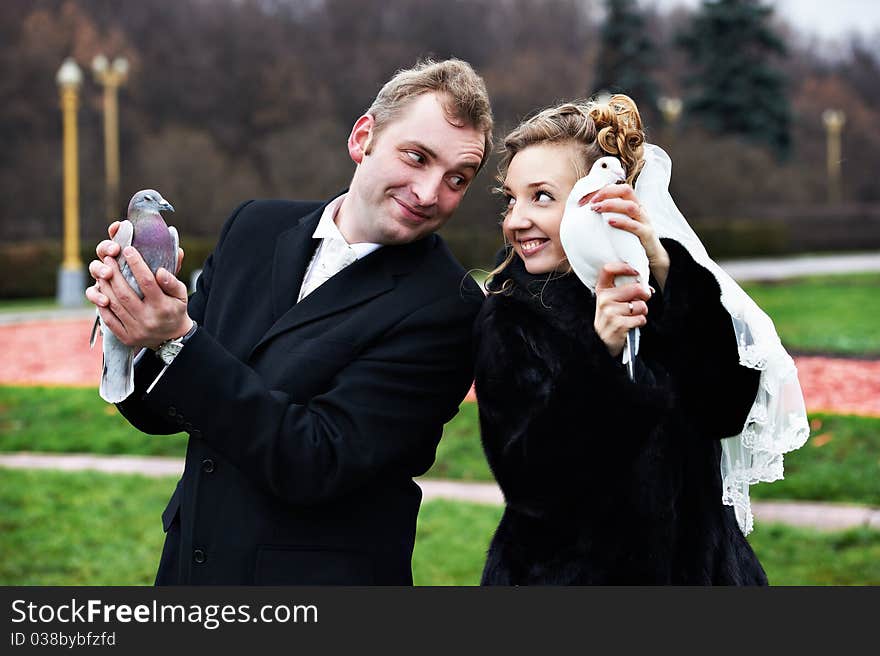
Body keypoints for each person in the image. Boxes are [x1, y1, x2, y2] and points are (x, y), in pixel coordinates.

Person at [85, 59, 494, 585]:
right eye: (416, 157)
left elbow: (316, 460)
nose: (430, 192)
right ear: (363, 137)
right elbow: (161, 412)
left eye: (457, 179)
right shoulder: (253, 226)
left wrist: (177, 339)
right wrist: (130, 322)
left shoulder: (450, 308)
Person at [474, 96, 808, 585]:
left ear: (603, 197)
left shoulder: (670, 293)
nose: (515, 219)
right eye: (511, 198)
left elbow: (725, 410)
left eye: (541, 196)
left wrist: (670, 273)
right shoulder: (511, 317)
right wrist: (599, 355)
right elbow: (532, 484)